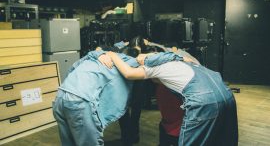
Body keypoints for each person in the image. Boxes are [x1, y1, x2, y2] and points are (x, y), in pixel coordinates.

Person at [52, 44, 181, 146]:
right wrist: (179, 57)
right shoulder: (130, 63)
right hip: (79, 102)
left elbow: (73, 67)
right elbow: (155, 60)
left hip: (60, 96)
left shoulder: (96, 56)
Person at [106, 51, 238, 146]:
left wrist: (112, 54)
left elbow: (129, 73)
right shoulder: (183, 61)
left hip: (203, 101)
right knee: (221, 140)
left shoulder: (156, 65)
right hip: (227, 96)